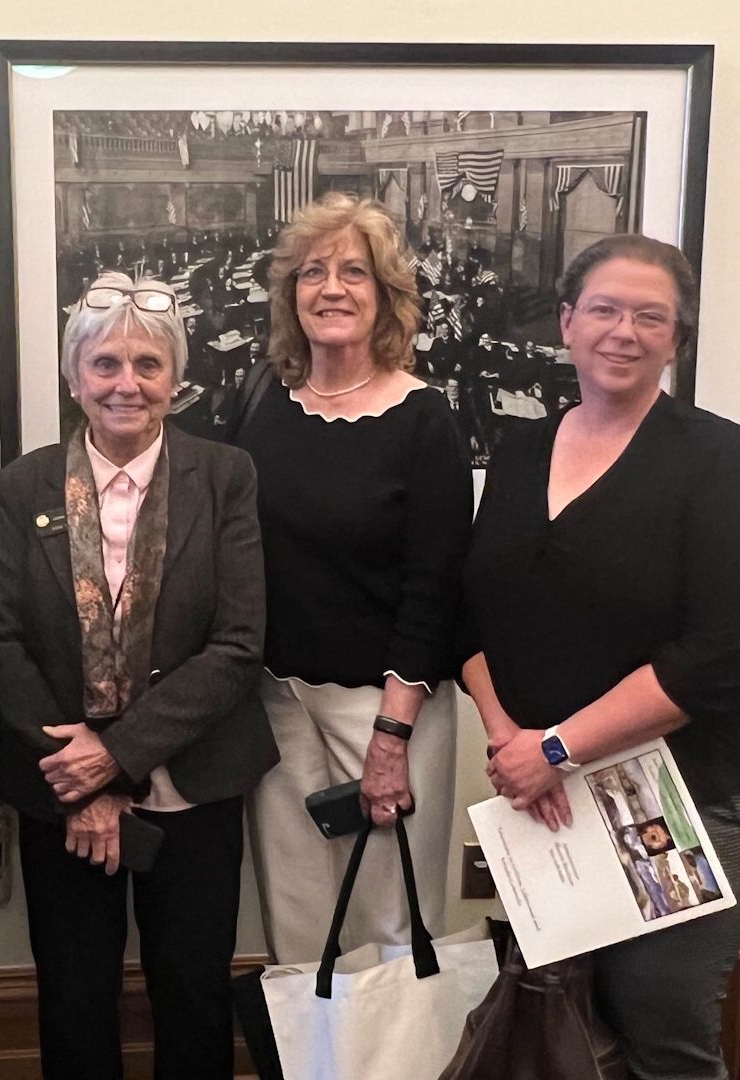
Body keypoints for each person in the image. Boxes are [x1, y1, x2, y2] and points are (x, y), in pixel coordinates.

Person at [460, 234, 740, 1080]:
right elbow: (470, 614)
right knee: (558, 1032)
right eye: (604, 309)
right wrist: (512, 744)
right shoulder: (522, 450)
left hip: (680, 797)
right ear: (567, 324)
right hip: (545, 797)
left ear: (676, 341)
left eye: (652, 317)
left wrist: (559, 744)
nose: (624, 331)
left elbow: (729, 651)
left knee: (659, 1034)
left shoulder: (715, 456)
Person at [0, 271, 273, 1080]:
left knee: (192, 989)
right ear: (75, 379)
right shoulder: (25, 483)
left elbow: (238, 644)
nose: (126, 383)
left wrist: (118, 755)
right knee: (74, 997)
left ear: (176, 381)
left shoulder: (225, 477)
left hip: (194, 780)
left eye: (148, 364)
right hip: (60, 786)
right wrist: (84, 779)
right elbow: (1, 640)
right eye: (105, 364)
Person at [236, 192, 472, 963]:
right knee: (299, 933)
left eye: (353, 273)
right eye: (312, 272)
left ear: (386, 297)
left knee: (389, 932)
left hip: (383, 710)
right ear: (290, 292)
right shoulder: (266, 401)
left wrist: (391, 738)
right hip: (276, 707)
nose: (330, 288)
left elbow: (435, 588)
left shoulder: (423, 419)